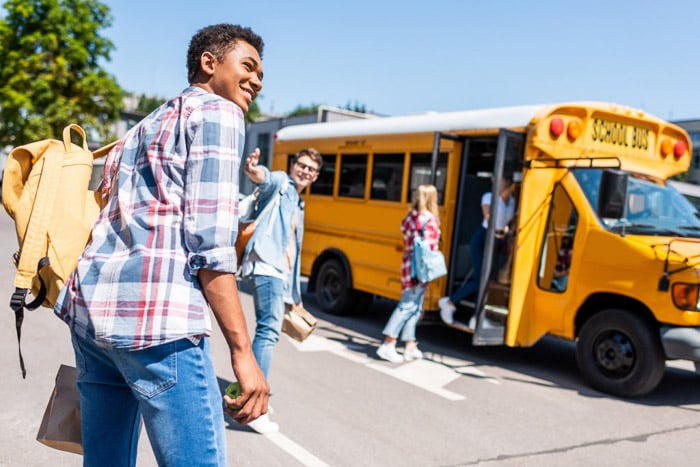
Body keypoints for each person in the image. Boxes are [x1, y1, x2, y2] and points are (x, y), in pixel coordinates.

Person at [53, 24, 269, 465]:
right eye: (248, 66)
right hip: (158, 324)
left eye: (261, 74)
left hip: (91, 320)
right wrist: (243, 354)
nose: (257, 81)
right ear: (209, 63)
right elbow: (211, 247)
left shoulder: (144, 126)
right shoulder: (220, 113)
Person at [240, 147, 322, 432]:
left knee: (266, 332)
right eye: (302, 165)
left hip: (278, 274)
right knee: (267, 332)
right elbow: (263, 177)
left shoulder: (298, 201)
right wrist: (252, 168)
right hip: (266, 265)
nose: (306, 171)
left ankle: (249, 393)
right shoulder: (281, 183)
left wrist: (292, 293)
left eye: (312, 169)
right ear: (293, 165)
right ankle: (255, 406)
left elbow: (292, 249)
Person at [376, 185, 442, 363]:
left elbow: (406, 234)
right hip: (420, 267)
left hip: (409, 263)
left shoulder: (410, 217)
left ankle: (410, 345)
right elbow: (429, 246)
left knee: (415, 305)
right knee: (407, 305)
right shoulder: (430, 219)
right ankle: (388, 343)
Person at [439, 176, 515, 326]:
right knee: (482, 279)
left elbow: (511, 222)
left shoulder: (512, 201)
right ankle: (455, 304)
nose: (497, 183)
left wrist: (507, 230)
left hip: (498, 242)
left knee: (487, 280)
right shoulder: (489, 197)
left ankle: (474, 316)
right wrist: (500, 230)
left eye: (501, 181)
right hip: (483, 238)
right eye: (496, 180)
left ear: (508, 182)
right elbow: (488, 217)